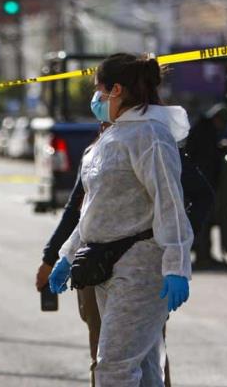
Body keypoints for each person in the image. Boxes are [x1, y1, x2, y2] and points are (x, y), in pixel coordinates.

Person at [47, 53, 193, 386]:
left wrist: (176, 265)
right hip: (104, 264)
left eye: (99, 91)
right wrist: (67, 256)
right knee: (143, 368)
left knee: (114, 367)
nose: (95, 99)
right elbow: (94, 211)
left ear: (116, 90)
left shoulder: (150, 135)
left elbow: (169, 202)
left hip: (140, 267)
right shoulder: (110, 139)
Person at [185, 104, 227, 268]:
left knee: (206, 220)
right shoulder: (205, 130)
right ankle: (203, 255)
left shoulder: (204, 128)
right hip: (202, 182)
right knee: (204, 219)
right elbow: (206, 157)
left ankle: (205, 254)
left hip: (201, 181)